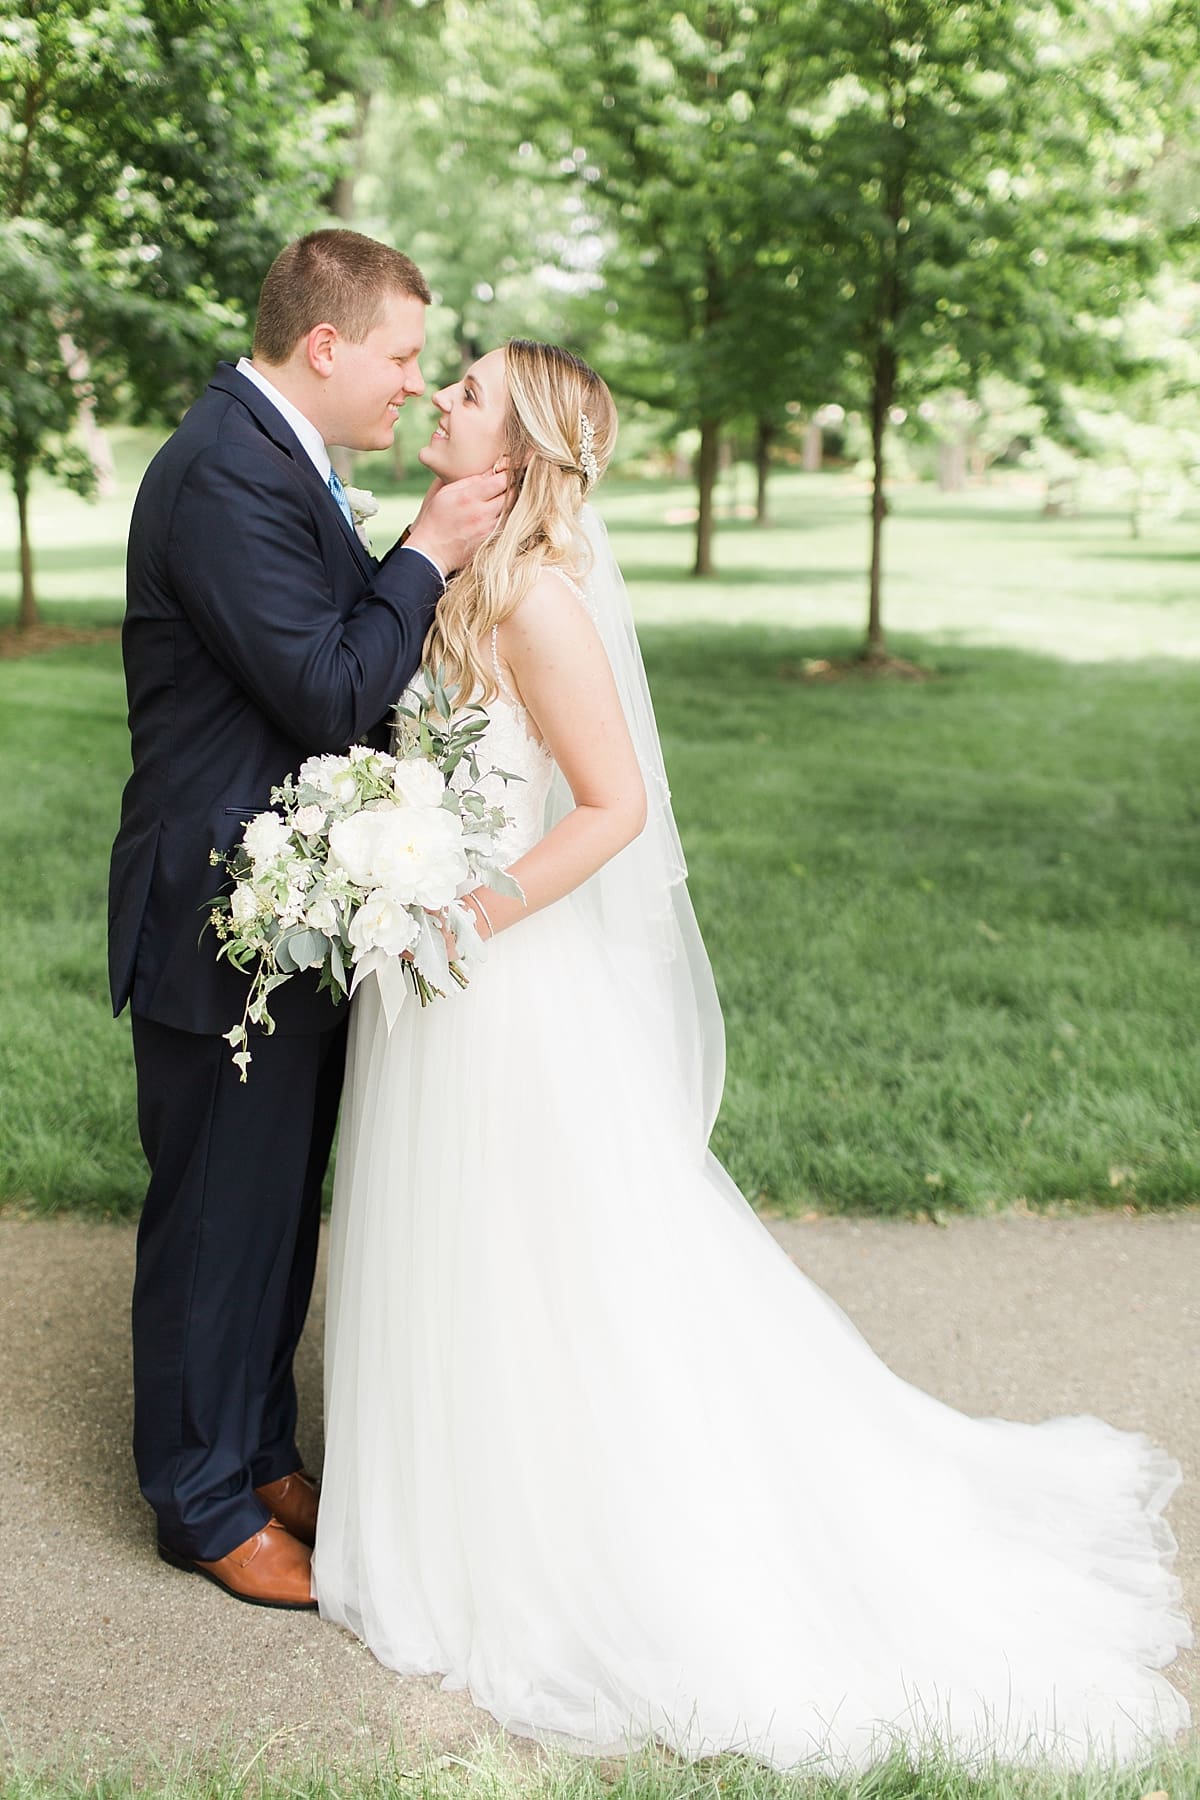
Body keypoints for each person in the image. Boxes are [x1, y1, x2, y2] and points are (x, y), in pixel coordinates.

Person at [311, 339, 1190, 1767]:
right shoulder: (451, 576)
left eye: (467, 389)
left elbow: (613, 809)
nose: (442, 400)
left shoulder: (536, 598)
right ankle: (448, 1498)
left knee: (538, 1261)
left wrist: (469, 905)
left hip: (503, 987)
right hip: (436, 981)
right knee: (453, 1248)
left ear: (518, 446)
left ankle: (554, 1528)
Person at [108, 229, 506, 1610]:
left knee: (275, 1205)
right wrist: (427, 551)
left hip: (295, 905)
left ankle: (260, 1447)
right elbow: (330, 687)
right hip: (223, 911)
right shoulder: (223, 471)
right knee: (219, 1212)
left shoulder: (278, 457)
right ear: (325, 347)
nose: (412, 385)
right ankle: (202, 1501)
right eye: (401, 356)